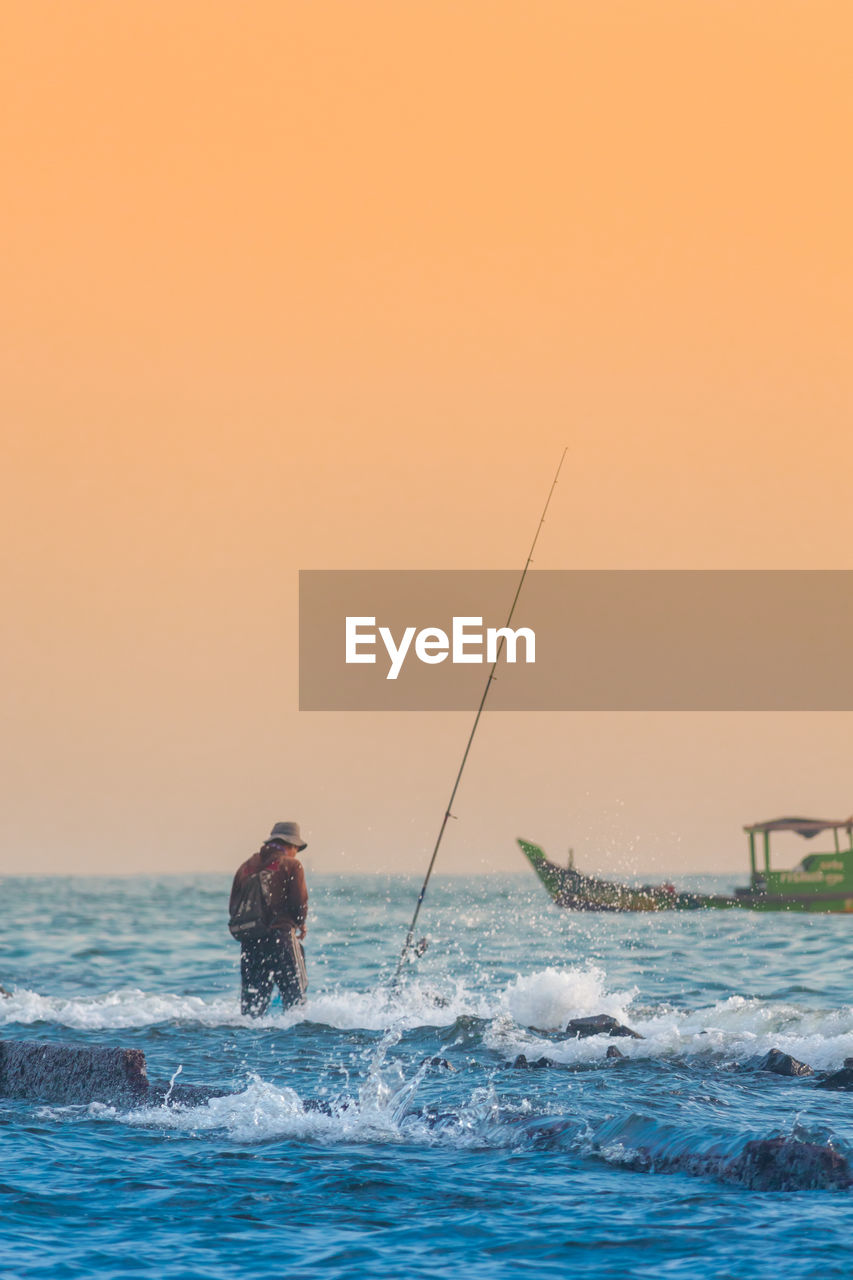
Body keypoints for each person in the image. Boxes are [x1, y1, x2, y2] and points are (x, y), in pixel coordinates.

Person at [229, 821, 309, 1017]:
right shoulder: (292, 865)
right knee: (295, 1004)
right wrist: (300, 924)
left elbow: (233, 909)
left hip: (250, 942)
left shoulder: (245, 867)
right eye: (296, 848)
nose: (296, 853)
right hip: (281, 939)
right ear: (290, 845)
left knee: (252, 1011)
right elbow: (299, 904)